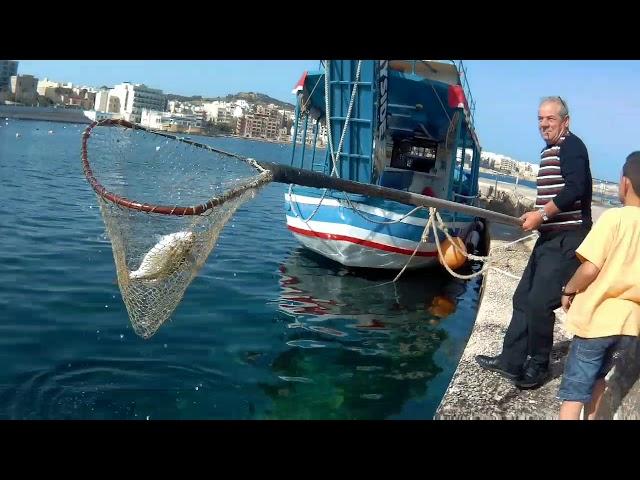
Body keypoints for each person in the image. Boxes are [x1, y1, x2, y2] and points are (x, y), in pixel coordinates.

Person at [476, 96, 593, 389]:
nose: (543, 124)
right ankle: (510, 361)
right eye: (540, 119)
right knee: (522, 298)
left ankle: (538, 366)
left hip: (568, 238)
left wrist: (541, 214)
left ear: (565, 121)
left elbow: (576, 188)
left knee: (540, 303)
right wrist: (540, 218)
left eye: (550, 119)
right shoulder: (549, 150)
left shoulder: (572, 146)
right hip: (549, 237)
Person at [557, 152, 640, 420]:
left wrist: (568, 290)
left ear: (625, 183)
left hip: (597, 320)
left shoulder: (614, 218)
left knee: (575, 389)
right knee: (599, 378)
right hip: (629, 326)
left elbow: (590, 268)